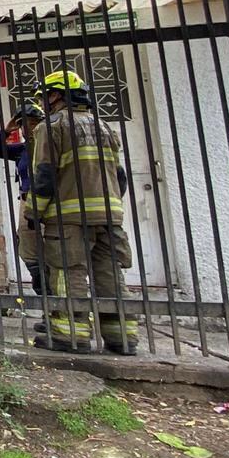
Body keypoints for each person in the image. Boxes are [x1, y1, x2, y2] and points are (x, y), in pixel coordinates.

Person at [30, 69, 136, 355]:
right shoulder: (104, 127)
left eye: (45, 98)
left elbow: (45, 175)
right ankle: (121, 336)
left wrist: (34, 212)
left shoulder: (52, 127)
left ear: (56, 96)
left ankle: (70, 334)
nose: (43, 104)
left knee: (68, 272)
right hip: (109, 215)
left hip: (68, 217)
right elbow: (120, 175)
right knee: (109, 272)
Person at [0, 101, 47, 310]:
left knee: (56, 254)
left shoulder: (50, 142)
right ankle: (46, 295)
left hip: (51, 204)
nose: (27, 128)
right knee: (29, 252)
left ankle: (61, 306)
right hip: (28, 202)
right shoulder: (23, 149)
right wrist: (7, 129)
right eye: (23, 124)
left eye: (31, 123)